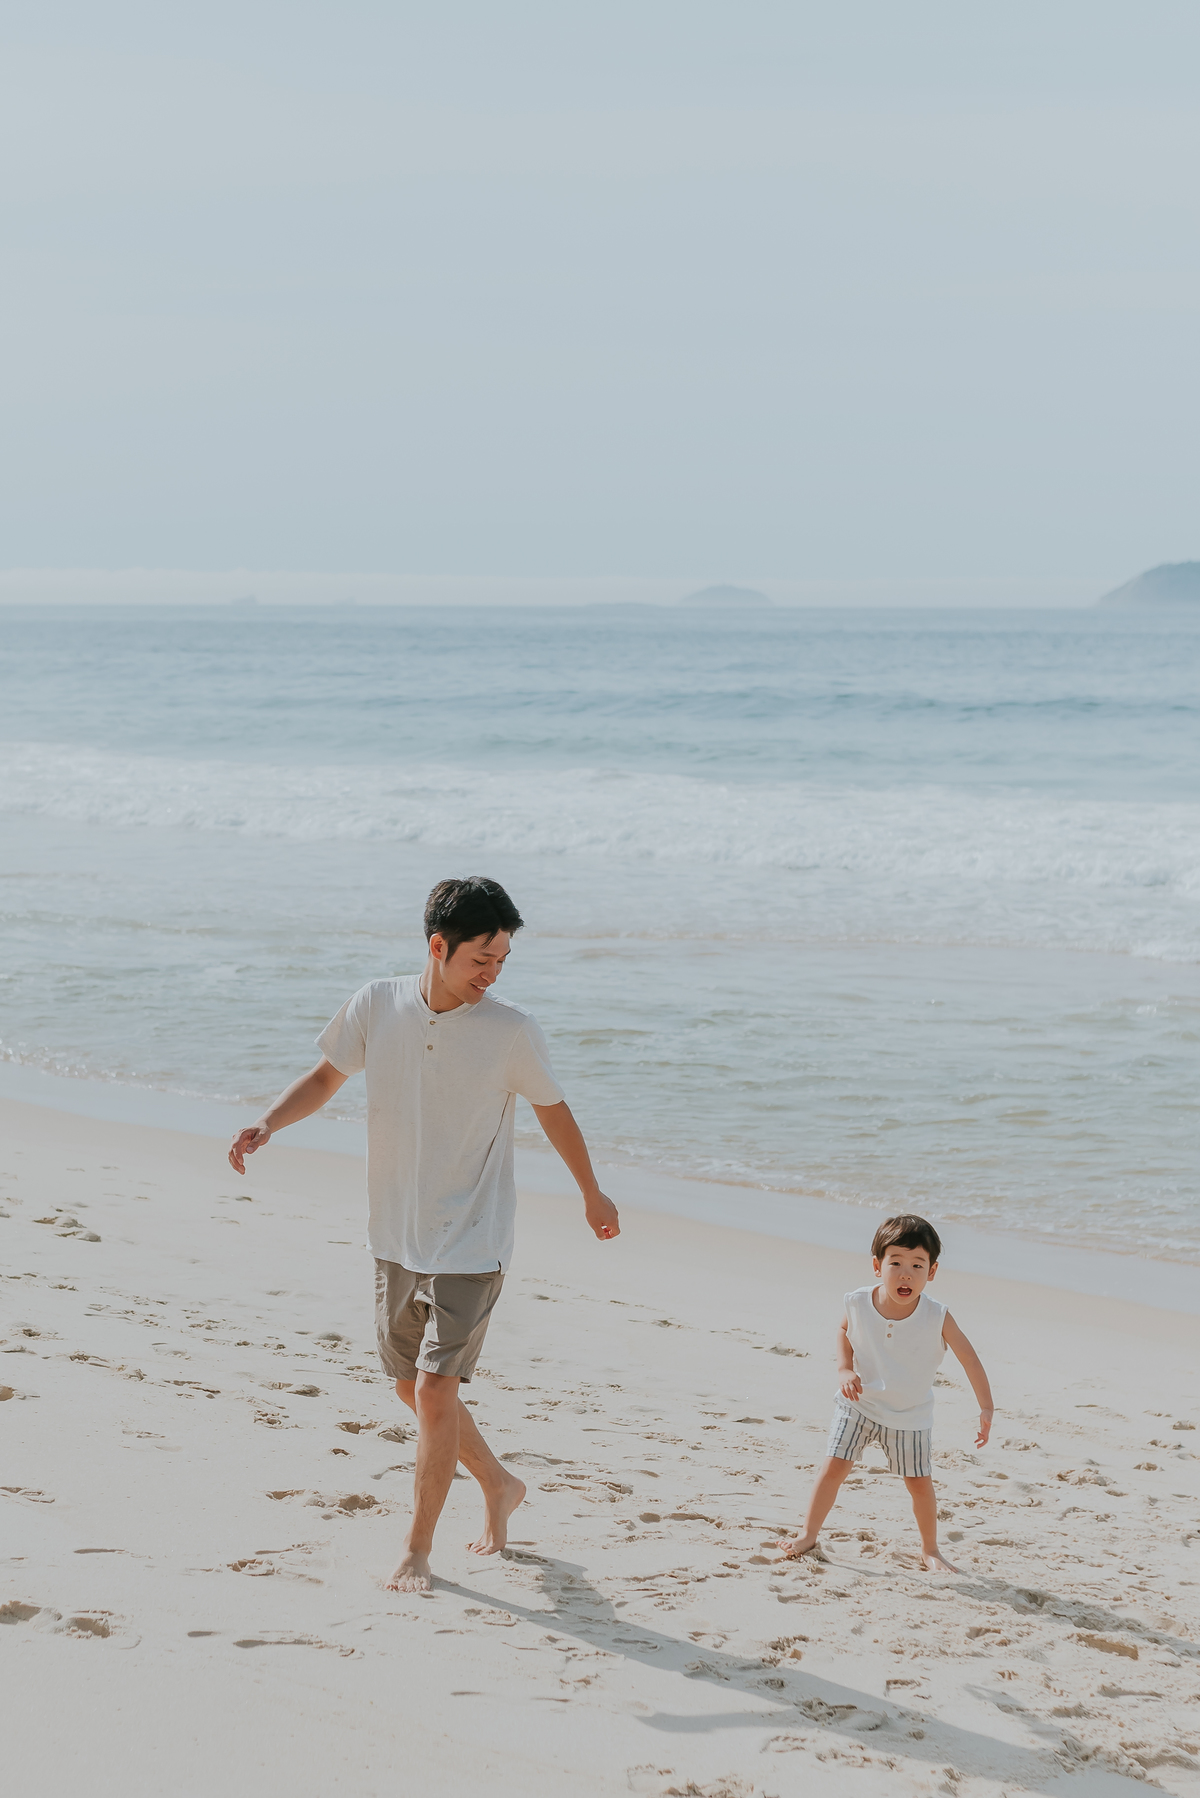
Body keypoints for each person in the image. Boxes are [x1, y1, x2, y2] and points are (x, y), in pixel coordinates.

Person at [228, 875, 620, 1593]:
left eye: (502, 961)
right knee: (411, 1389)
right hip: (396, 1232)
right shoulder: (376, 1005)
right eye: (480, 960)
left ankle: (417, 1549)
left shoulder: (511, 1031)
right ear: (437, 947)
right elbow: (326, 1076)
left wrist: (591, 1191)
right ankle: (499, 1484)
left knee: (436, 1393)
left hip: (474, 1238)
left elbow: (554, 1112)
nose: (491, 974)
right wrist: (268, 1123)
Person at [773, 1214, 993, 1573]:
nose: (906, 1274)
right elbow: (844, 1329)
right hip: (858, 1403)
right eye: (896, 1263)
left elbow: (969, 1359)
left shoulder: (937, 1316)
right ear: (877, 1266)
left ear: (932, 1272)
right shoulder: (858, 1302)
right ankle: (808, 1534)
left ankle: (931, 1550)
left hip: (910, 1414)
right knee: (833, 1469)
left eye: (917, 1265)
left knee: (920, 1485)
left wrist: (986, 1407)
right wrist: (845, 1368)